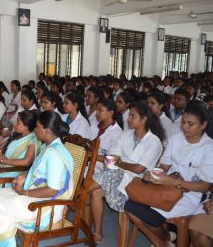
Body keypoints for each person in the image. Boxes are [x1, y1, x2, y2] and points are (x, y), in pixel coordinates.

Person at [0, 111, 73, 247]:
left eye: (37, 126)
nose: (34, 129)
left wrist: (24, 193)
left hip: (47, 206)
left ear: (46, 130)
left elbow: (53, 190)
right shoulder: (49, 146)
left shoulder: (54, 153)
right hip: (38, 194)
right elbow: (41, 173)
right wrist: (24, 176)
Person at [125, 101, 213, 247]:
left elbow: (204, 186)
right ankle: (164, 240)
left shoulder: (209, 148)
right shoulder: (176, 139)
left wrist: (174, 182)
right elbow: (164, 166)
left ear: (203, 125)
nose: (184, 127)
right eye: (183, 122)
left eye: (190, 124)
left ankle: (164, 240)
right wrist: (153, 174)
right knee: (130, 206)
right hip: (167, 186)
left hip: (192, 194)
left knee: (149, 215)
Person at [88, 102, 164, 244]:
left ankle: (78, 194)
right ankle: (97, 232)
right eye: (129, 115)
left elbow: (139, 169)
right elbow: (112, 156)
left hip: (138, 182)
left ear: (144, 119)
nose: (128, 118)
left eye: (132, 116)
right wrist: (116, 163)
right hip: (117, 174)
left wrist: (120, 163)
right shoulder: (125, 134)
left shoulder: (154, 142)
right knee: (97, 191)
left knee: (107, 177)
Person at [88, 98, 123, 173]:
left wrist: (91, 155)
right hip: (87, 164)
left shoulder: (117, 132)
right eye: (96, 110)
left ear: (110, 113)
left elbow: (112, 159)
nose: (96, 113)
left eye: (100, 110)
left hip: (101, 170)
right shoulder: (94, 126)